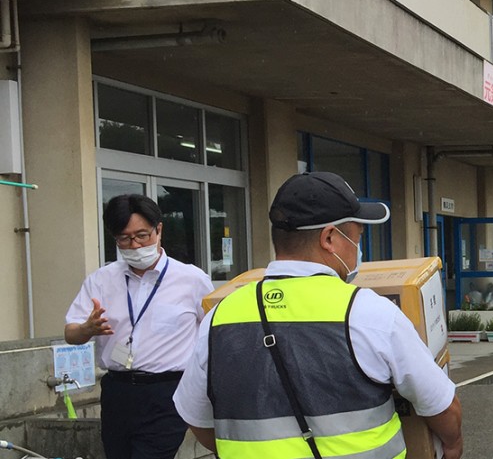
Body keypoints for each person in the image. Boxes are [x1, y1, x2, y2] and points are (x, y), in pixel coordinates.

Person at [172, 171, 463, 459]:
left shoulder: (220, 318)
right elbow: (441, 405)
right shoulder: (369, 313)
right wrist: (452, 445)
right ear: (329, 239)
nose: (358, 250)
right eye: (357, 237)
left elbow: (197, 419)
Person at [64, 194, 214, 459]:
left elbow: (211, 335)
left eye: (142, 235)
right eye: (125, 238)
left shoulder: (191, 279)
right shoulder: (102, 279)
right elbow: (70, 332)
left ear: (159, 230)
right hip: (118, 391)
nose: (134, 245)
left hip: (167, 391)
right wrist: (87, 329)